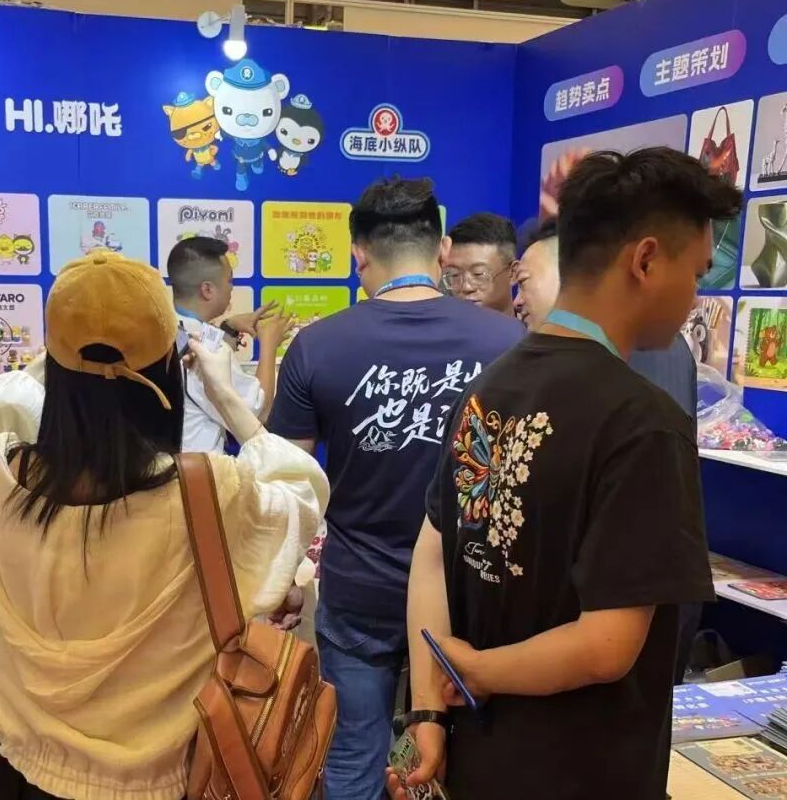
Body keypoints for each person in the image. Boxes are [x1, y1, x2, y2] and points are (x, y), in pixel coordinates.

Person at [396, 148, 741, 800]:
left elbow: (432, 558)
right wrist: (478, 670)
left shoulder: (486, 390)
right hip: (586, 770)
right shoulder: (645, 424)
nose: (697, 297)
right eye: (696, 273)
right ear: (645, 260)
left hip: (478, 758)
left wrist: (429, 711)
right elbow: (607, 644)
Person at [0, 251, 329, 800]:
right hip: (164, 784)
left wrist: (71, 350)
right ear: (168, 366)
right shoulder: (208, 492)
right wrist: (226, 397)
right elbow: (300, 491)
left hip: (23, 779)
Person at [267, 177, 525, 799]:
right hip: (472, 591)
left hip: (360, 590)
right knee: (479, 755)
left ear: (358, 254)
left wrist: (282, 581)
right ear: (442, 251)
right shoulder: (510, 345)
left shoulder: (317, 346)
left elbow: (289, 486)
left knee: (355, 752)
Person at [515, 218, 704, 683]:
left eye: (524, 282)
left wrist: (480, 670)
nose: (516, 301)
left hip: (589, 642)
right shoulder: (661, 351)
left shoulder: (632, 386)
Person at [168, 235, 293, 452]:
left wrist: (229, 328)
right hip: (202, 467)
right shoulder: (204, 347)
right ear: (207, 290)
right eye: (229, 280)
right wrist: (268, 345)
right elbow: (257, 414)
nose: (232, 288)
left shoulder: (166, 328)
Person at [441, 213, 518, 316]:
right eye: (455, 275)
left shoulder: (534, 325)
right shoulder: (439, 325)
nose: (466, 287)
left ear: (513, 273)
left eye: (478, 274)